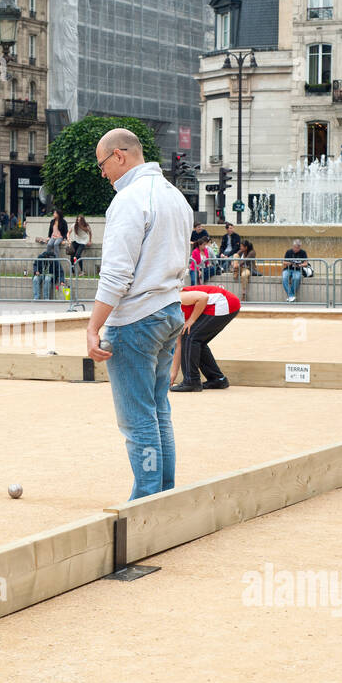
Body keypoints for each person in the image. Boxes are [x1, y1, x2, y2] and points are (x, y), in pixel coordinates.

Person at [85, 127, 190, 500]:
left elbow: (116, 274)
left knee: (137, 419)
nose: (103, 174)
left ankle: (146, 498)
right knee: (158, 411)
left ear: (119, 155)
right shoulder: (175, 196)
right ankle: (163, 493)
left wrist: (93, 327)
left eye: (102, 165)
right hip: (169, 309)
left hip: (136, 318)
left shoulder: (129, 199)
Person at [169, 283, 241, 392]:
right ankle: (217, 379)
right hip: (224, 304)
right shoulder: (174, 316)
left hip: (225, 302)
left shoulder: (175, 298)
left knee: (190, 337)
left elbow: (203, 297)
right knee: (193, 339)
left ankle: (192, 381)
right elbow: (179, 345)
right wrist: (173, 375)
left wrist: (192, 320)